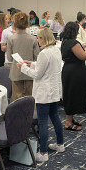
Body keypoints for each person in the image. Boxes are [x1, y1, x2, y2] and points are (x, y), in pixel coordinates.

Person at [18, 28, 64, 162]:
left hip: (44, 92)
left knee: (43, 121)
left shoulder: (44, 53)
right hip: (54, 90)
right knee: (55, 116)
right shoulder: (56, 49)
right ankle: (60, 144)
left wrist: (23, 67)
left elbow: (37, 74)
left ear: (43, 39)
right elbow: (46, 66)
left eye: (38, 38)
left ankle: (43, 153)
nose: (37, 40)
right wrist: (31, 63)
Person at [61, 22, 86, 131]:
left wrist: (81, 46)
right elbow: (83, 56)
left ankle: (70, 118)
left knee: (71, 93)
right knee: (72, 94)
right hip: (74, 72)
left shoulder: (65, 42)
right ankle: (68, 122)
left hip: (69, 70)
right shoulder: (73, 43)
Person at [7, 12, 40, 102]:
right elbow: (37, 58)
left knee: (17, 98)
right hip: (30, 69)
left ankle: (18, 115)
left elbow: (9, 58)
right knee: (30, 96)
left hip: (16, 70)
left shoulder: (11, 38)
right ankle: (31, 114)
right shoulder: (33, 39)